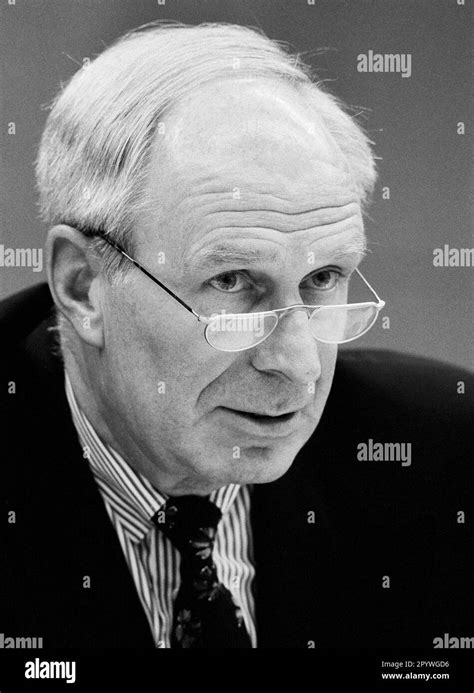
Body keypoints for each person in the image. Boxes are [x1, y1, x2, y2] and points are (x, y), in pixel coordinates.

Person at [1, 22, 472, 650]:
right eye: (231, 282)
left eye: (323, 278)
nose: (299, 367)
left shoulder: (448, 457)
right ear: (84, 286)